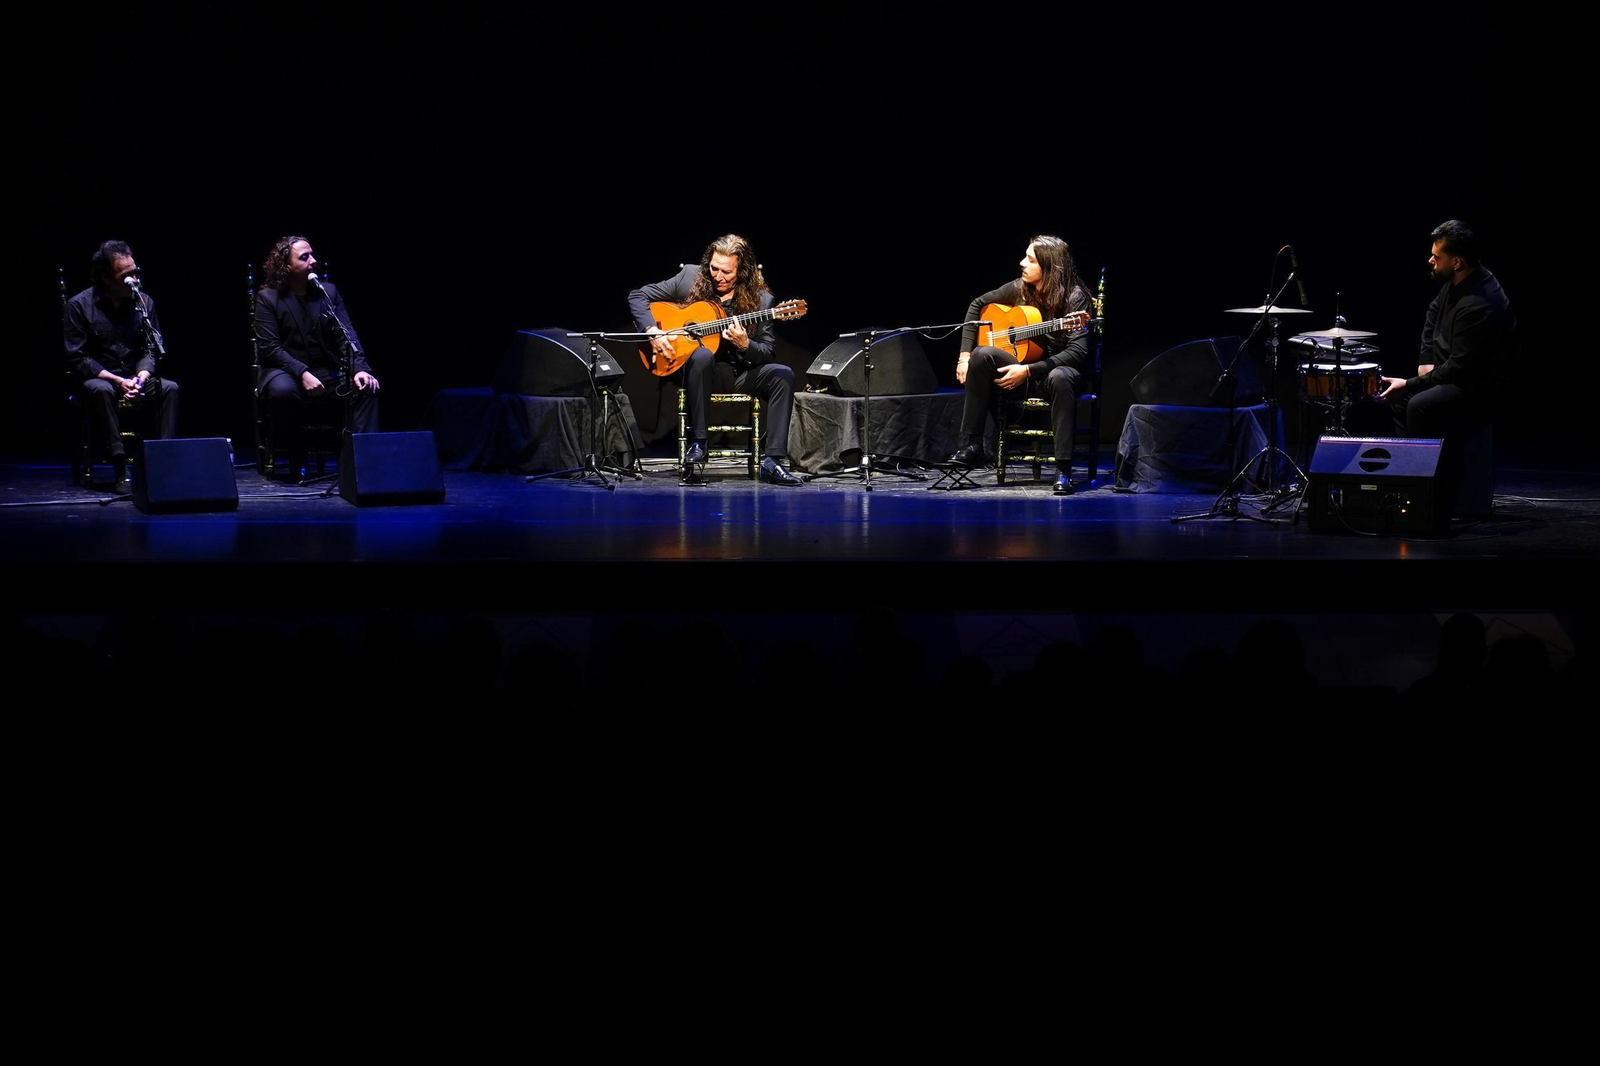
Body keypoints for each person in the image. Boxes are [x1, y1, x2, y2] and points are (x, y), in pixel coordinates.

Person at [628, 233, 802, 485]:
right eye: (714, 268)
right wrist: (652, 331)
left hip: (737, 374)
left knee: (782, 374)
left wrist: (745, 344)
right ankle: (699, 444)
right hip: (696, 372)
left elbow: (767, 351)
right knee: (701, 355)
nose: (717, 276)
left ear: (741, 272)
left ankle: (773, 461)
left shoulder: (762, 300)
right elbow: (637, 296)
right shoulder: (690, 277)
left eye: (726, 272)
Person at [1377, 220, 1517, 497]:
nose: (1430, 260)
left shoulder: (1480, 303)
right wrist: (1425, 359)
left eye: (1436, 256)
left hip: (1480, 387)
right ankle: (1408, 477)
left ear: (1457, 262)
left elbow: (1460, 368)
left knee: (1417, 404)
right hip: (1452, 375)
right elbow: (1432, 314)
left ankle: (1430, 489)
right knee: (1400, 402)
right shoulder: (1457, 281)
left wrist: (1413, 382)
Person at [948, 235, 1092, 495]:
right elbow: (977, 305)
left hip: (1055, 374)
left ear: (1049, 268)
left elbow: (1078, 352)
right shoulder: (1021, 287)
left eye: (1031, 259)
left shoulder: (1075, 298)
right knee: (982, 354)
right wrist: (964, 356)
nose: (1022, 263)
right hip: (1023, 367)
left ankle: (1063, 469)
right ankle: (974, 445)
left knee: (1060, 376)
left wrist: (1027, 371)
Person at [254, 236, 380, 476]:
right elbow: (269, 347)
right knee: (282, 391)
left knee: (367, 387)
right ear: (286, 265)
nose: (313, 261)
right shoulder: (268, 297)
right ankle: (297, 456)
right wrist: (302, 372)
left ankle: (361, 462)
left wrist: (360, 369)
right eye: (304, 257)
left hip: (325, 370)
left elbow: (347, 334)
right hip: (284, 370)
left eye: (312, 255)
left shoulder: (327, 293)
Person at [63, 240, 181, 492]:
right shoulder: (79, 306)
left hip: (135, 377)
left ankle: (163, 465)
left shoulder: (144, 303)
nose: (134, 280)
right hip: (101, 379)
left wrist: (141, 376)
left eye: (136, 273)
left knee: (169, 388)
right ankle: (120, 470)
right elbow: (78, 357)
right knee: (101, 391)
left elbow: (151, 348)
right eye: (126, 276)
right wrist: (118, 381)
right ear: (106, 277)